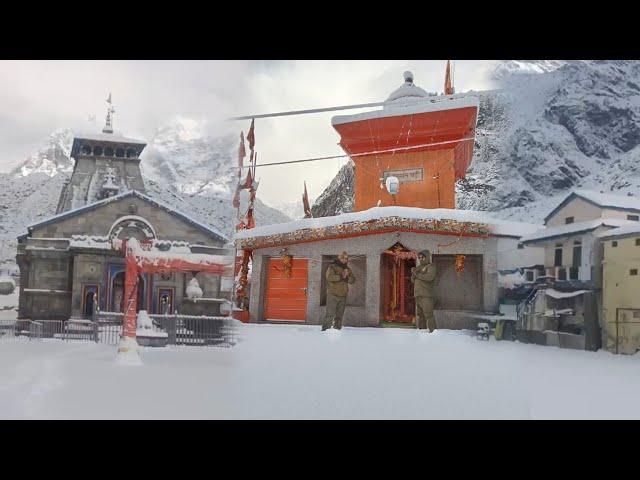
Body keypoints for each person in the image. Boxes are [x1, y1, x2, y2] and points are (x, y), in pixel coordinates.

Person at [322, 251, 355, 331]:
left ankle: (337, 330)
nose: (344, 260)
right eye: (343, 258)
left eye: (346, 258)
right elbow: (329, 277)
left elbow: (353, 280)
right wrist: (341, 277)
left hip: (343, 295)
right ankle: (325, 331)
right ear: (339, 258)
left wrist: (347, 278)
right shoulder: (332, 267)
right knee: (329, 314)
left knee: (339, 315)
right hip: (333, 294)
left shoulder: (347, 269)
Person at [411, 250, 438, 332]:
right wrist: (413, 274)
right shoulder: (419, 267)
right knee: (420, 315)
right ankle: (421, 331)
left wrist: (417, 274)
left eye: (422, 257)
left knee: (428, 315)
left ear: (427, 257)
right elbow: (413, 280)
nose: (421, 259)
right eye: (419, 258)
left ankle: (433, 332)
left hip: (427, 295)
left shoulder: (431, 266)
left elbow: (429, 277)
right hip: (418, 295)